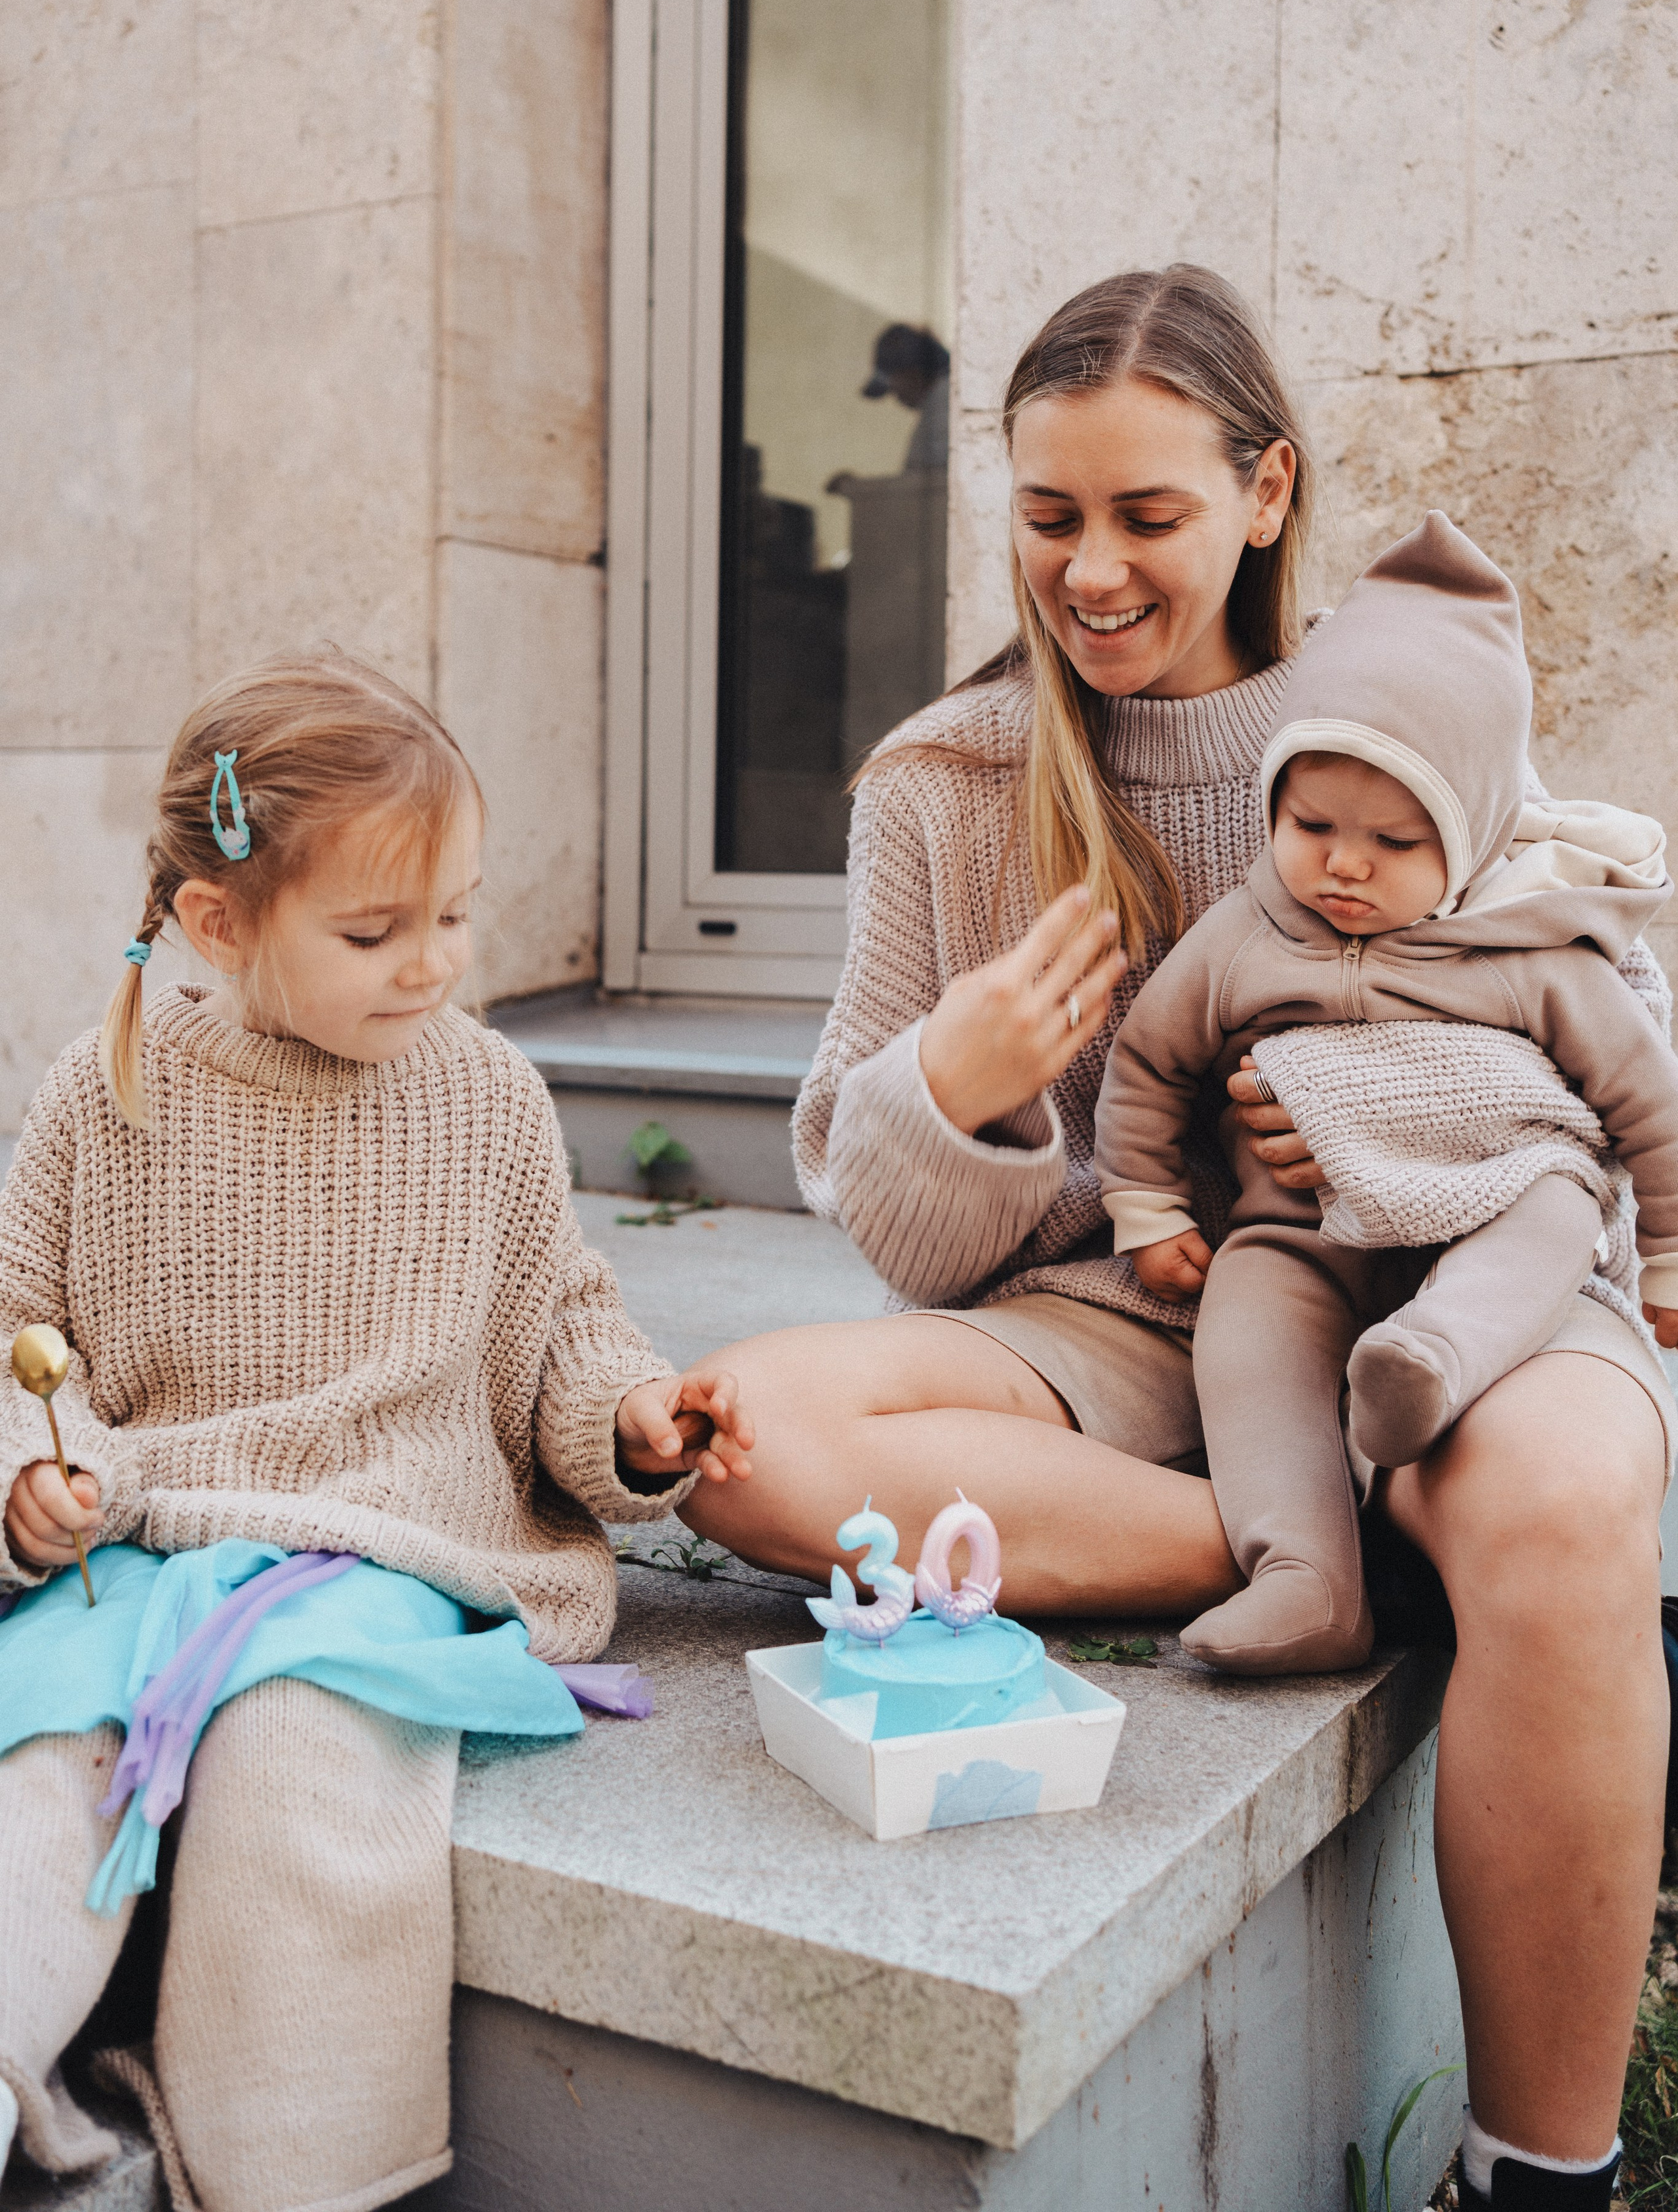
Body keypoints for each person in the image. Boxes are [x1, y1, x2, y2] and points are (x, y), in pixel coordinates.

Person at [676, 268, 1671, 2211]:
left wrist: (1416, 1124)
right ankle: (1344, 1549)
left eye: (1148, 514)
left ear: (1266, 491)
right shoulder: (943, 785)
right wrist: (948, 1090)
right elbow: (881, 1219)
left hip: (1432, 1290)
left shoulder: (1406, 718)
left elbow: (1597, 1017)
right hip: (1121, 1314)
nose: (1094, 571)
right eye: (1050, 518)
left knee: (1556, 1499)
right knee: (754, 1434)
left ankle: (1532, 2172)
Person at [0, 653, 747, 2211]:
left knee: (308, 1761)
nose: (431, 964)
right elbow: (20, 1332)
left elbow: (560, 1324)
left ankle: (292, 2171)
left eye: (456, 913)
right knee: (41, 1749)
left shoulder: (487, 1101)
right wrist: (32, 1467)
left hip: (375, 1546)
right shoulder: (105, 1095)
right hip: (142, 1534)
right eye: (373, 929)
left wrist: (633, 1415)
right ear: (220, 922)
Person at [1095, 512, 1678, 1677]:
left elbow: (1647, 1109)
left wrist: (1666, 1258)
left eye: (1397, 841)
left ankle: (1435, 1364)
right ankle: (1306, 1577)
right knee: (1248, 1332)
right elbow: (1148, 1065)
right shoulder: (1245, 932)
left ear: (1469, 837)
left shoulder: (1533, 950)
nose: (1344, 867)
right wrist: (1148, 1208)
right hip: (1303, 1231)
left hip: (1494, 1197)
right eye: (1311, 826)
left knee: (1548, 1216)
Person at [861, 320, 950, 473]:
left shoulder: (944, 404)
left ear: (911, 373)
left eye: (893, 387)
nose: (896, 397)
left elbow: (927, 482)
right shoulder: (939, 402)